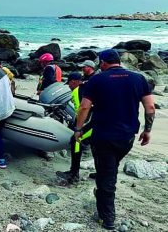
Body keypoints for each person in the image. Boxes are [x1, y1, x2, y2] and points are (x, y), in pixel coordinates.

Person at [75, 49, 155, 230]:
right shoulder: (138, 79)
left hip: (103, 136)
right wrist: (147, 130)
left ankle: (107, 219)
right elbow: (150, 107)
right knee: (109, 168)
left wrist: (78, 129)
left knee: (107, 177)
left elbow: (84, 108)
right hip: (127, 137)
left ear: (103, 63)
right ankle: (103, 194)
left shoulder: (97, 79)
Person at [56, 72, 94, 184]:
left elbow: (81, 110)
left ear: (73, 82)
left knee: (76, 140)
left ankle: (74, 173)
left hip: (95, 123)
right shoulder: (88, 86)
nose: (69, 86)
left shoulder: (77, 91)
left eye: (69, 84)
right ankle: (101, 173)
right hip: (106, 121)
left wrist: (78, 129)